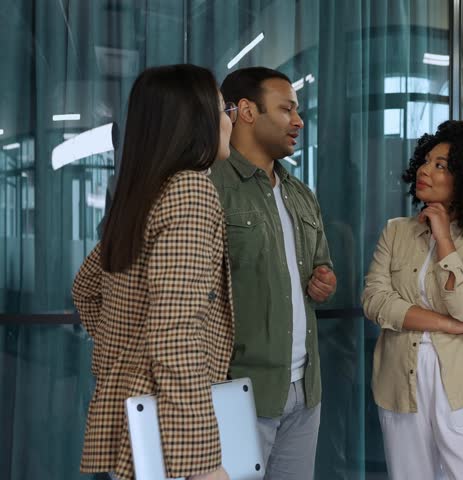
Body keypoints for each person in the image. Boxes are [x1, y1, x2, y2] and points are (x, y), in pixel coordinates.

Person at [72, 64, 236, 480]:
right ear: (194, 122)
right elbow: (174, 331)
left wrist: (125, 354)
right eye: (222, 109)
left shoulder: (144, 195)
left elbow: (85, 288)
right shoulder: (190, 191)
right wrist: (205, 463)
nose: (229, 119)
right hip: (173, 432)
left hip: (138, 414)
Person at [362, 118, 463, 480]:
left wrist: (444, 239)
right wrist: (451, 325)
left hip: (460, 379)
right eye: (426, 161)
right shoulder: (396, 231)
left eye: (440, 165)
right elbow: (374, 301)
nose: (425, 170)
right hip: (399, 375)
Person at [208, 67, 336, 480]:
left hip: (304, 389)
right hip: (238, 392)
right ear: (246, 111)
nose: (298, 121)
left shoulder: (300, 193)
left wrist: (324, 281)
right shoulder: (210, 186)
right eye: (287, 109)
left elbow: (321, 268)